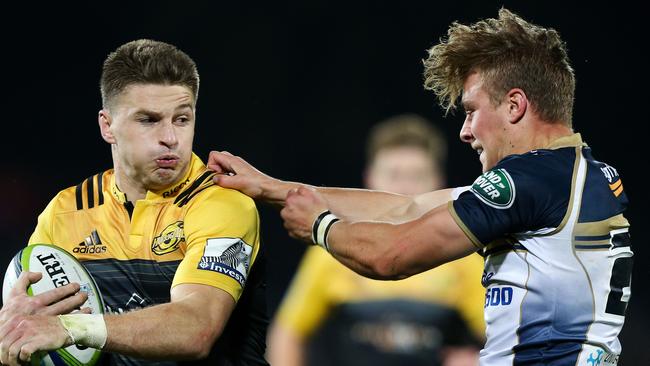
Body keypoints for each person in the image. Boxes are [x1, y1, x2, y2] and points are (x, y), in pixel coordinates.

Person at [207, 8, 633, 365]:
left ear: (515, 105)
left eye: (471, 111)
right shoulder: (576, 174)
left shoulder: (530, 183)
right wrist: (273, 188)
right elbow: (405, 209)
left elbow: (390, 257)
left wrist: (320, 225)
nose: (465, 131)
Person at [0, 39, 268, 366]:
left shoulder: (221, 203)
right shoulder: (65, 211)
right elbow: (38, 333)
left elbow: (196, 329)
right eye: (149, 120)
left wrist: (71, 327)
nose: (170, 137)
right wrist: (14, 342)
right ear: (107, 126)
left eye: (182, 119)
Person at [267, 115, 485, 366]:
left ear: (439, 183)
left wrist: (478, 361)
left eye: (418, 175)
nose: (405, 187)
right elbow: (287, 333)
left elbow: (507, 337)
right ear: (369, 179)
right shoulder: (333, 247)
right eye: (393, 174)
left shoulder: (460, 254)